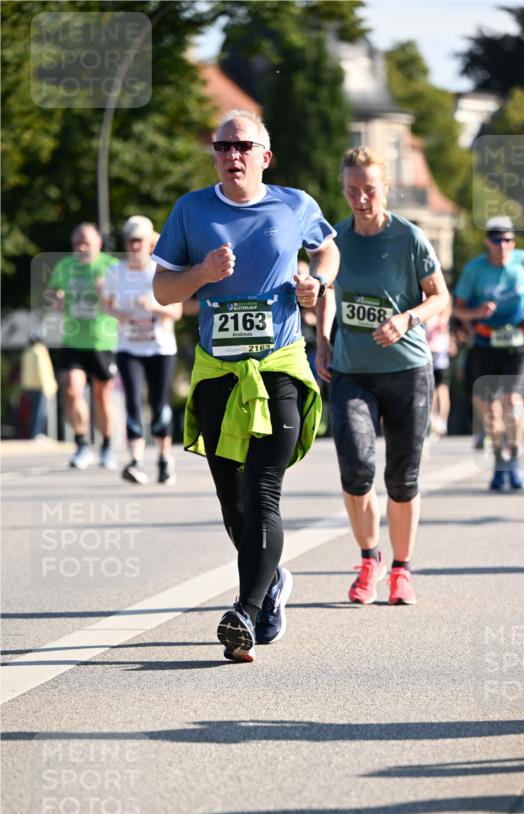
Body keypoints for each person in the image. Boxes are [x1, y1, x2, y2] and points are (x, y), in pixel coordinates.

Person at [152, 109, 339, 662]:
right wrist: (201, 275)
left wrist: (315, 282)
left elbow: (328, 249)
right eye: (222, 146)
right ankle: (273, 581)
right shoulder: (191, 210)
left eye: (242, 146)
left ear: (265, 156)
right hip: (217, 370)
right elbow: (164, 291)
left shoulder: (294, 204)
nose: (232, 155)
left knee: (262, 490)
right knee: (232, 501)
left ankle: (246, 611)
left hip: (280, 363)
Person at [316, 146, 449, 607]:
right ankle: (369, 558)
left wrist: (408, 320)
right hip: (352, 370)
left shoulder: (409, 238)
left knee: (402, 478)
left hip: (407, 371)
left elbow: (439, 297)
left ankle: (401, 570)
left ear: (385, 188)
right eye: (352, 190)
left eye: (369, 189)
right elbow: (326, 291)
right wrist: (322, 338)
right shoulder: (335, 239)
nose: (360, 199)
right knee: (355, 467)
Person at [452, 216, 524, 491]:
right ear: (487, 242)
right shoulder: (474, 270)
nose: (503, 245)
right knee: (489, 409)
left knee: (512, 402)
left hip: (517, 341)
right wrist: (477, 313)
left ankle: (513, 460)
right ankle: (500, 459)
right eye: (496, 240)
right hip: (485, 343)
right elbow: (457, 308)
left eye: (508, 240)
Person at [103, 215, 182, 485]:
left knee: (159, 405)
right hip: (128, 347)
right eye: (130, 241)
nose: (134, 246)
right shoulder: (115, 271)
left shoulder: (160, 270)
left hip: (160, 347)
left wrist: (153, 307)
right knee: (133, 402)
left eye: (139, 241)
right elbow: (107, 304)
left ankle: (164, 458)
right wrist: (119, 314)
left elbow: (177, 311)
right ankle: (135, 461)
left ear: (150, 243)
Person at [48, 223, 119, 469]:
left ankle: (107, 446)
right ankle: (81, 445)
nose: (81, 246)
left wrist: (106, 293)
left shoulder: (111, 266)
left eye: (86, 241)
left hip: (103, 340)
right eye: (77, 242)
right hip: (73, 340)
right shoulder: (64, 266)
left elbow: (124, 301)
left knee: (102, 396)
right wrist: (55, 299)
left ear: (98, 242)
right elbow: (52, 293)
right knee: (70, 389)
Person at [19, 333, 58, 438]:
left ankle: (34, 433)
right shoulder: (40, 351)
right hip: (41, 387)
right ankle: (36, 434)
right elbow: (43, 371)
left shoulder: (27, 352)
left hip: (29, 387)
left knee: (33, 412)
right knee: (39, 413)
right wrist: (48, 388)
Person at [426, 307, 452, 436]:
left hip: (437, 349)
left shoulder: (442, 312)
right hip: (430, 348)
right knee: (434, 388)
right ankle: (434, 420)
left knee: (440, 387)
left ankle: (440, 421)